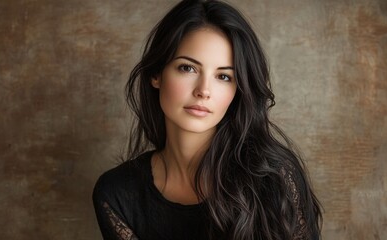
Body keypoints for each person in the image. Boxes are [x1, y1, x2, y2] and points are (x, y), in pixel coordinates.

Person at [92, 0, 322, 239]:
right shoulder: (116, 193)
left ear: (238, 89)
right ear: (156, 74)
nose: (204, 90)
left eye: (223, 76)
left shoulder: (275, 178)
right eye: (187, 68)